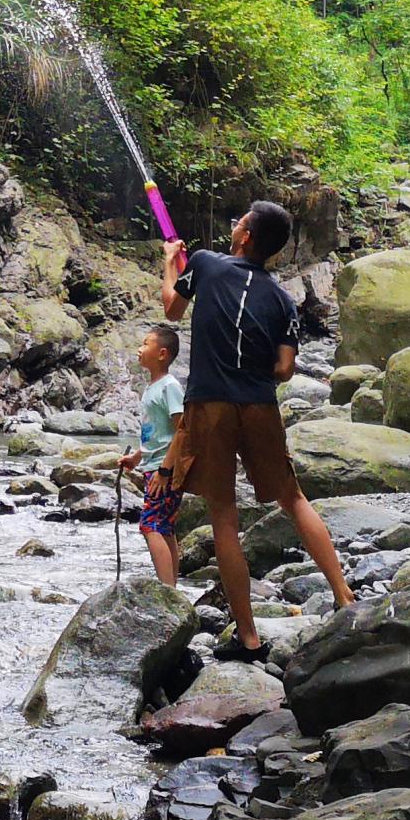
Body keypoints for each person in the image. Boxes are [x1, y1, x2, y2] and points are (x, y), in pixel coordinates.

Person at [161, 200, 354, 661]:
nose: (234, 226)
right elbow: (285, 369)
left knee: (224, 515)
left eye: (238, 222)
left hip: (209, 405)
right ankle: (346, 597)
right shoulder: (282, 300)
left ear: (245, 237)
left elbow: (172, 309)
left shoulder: (204, 264)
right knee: (293, 498)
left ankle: (248, 638)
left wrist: (170, 266)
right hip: (260, 407)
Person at [115, 322, 185, 586]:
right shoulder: (152, 388)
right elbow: (157, 434)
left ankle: (166, 590)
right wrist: (137, 458)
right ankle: (172, 588)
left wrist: (165, 470)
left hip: (164, 470)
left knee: (150, 526)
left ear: (162, 354)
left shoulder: (170, 387)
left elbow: (182, 430)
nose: (139, 348)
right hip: (154, 466)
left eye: (146, 344)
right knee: (164, 527)